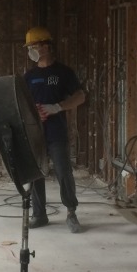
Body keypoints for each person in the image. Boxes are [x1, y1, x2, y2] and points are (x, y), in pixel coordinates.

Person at [23, 26, 86, 233]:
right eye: (29, 47)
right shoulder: (29, 76)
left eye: (33, 46)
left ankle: (71, 212)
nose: (31, 50)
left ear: (46, 47)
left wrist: (57, 107)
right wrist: (34, 113)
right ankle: (39, 215)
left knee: (63, 171)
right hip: (35, 133)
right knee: (35, 173)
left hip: (56, 132)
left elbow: (80, 96)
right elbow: (22, 104)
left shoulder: (63, 73)